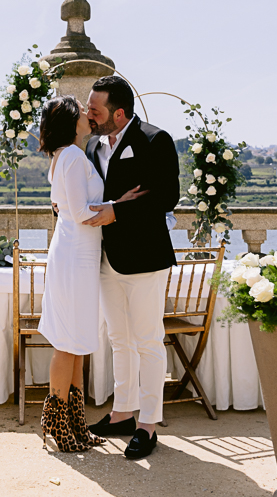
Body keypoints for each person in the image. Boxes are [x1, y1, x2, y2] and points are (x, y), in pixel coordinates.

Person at [36, 95, 145, 452]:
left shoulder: (68, 155)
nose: (88, 114)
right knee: (68, 342)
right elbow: (82, 213)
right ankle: (56, 422)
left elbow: (67, 207)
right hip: (74, 256)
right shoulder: (70, 155)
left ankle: (76, 424)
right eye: (82, 111)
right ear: (71, 121)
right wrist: (120, 205)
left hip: (80, 254)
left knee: (78, 341)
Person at [82, 75, 180, 460]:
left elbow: (166, 196)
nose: (88, 114)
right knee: (118, 339)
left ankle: (148, 424)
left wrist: (118, 211)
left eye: (95, 110)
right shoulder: (92, 145)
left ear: (119, 113)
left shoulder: (155, 140)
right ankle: (122, 412)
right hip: (106, 257)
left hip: (145, 258)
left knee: (148, 341)